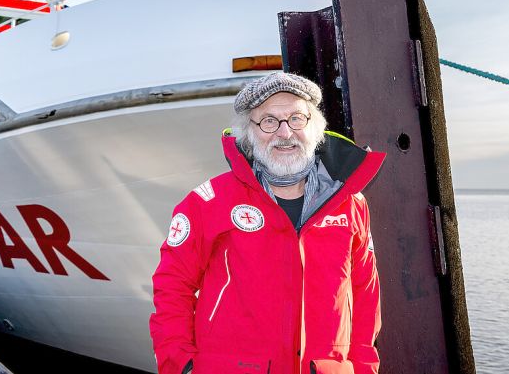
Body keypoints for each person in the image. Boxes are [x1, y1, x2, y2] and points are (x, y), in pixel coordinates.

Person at [149, 72, 386, 374]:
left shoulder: (351, 204)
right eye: (269, 121)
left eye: (297, 119)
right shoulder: (207, 202)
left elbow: (365, 293)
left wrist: (363, 368)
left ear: (314, 129)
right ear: (248, 133)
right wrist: (180, 365)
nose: (285, 133)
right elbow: (172, 286)